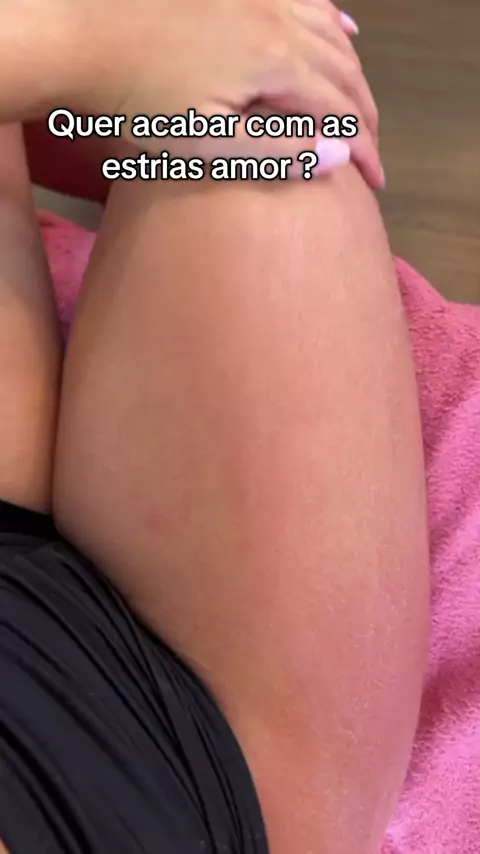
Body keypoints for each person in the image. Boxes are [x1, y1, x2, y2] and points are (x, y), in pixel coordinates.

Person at [0, 3, 428, 853]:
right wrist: (83, 54)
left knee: (255, 72)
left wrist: (80, 70)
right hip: (162, 782)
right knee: (267, 107)